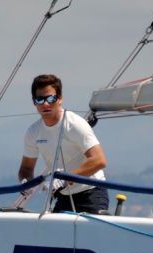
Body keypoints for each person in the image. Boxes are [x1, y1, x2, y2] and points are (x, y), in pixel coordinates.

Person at [18, 74, 108, 213]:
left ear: (60, 99)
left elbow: (99, 160)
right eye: (40, 99)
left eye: (51, 98)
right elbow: (26, 168)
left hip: (91, 193)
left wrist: (65, 178)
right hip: (63, 195)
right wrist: (26, 183)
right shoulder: (33, 132)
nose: (46, 104)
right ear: (34, 102)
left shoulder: (74, 124)